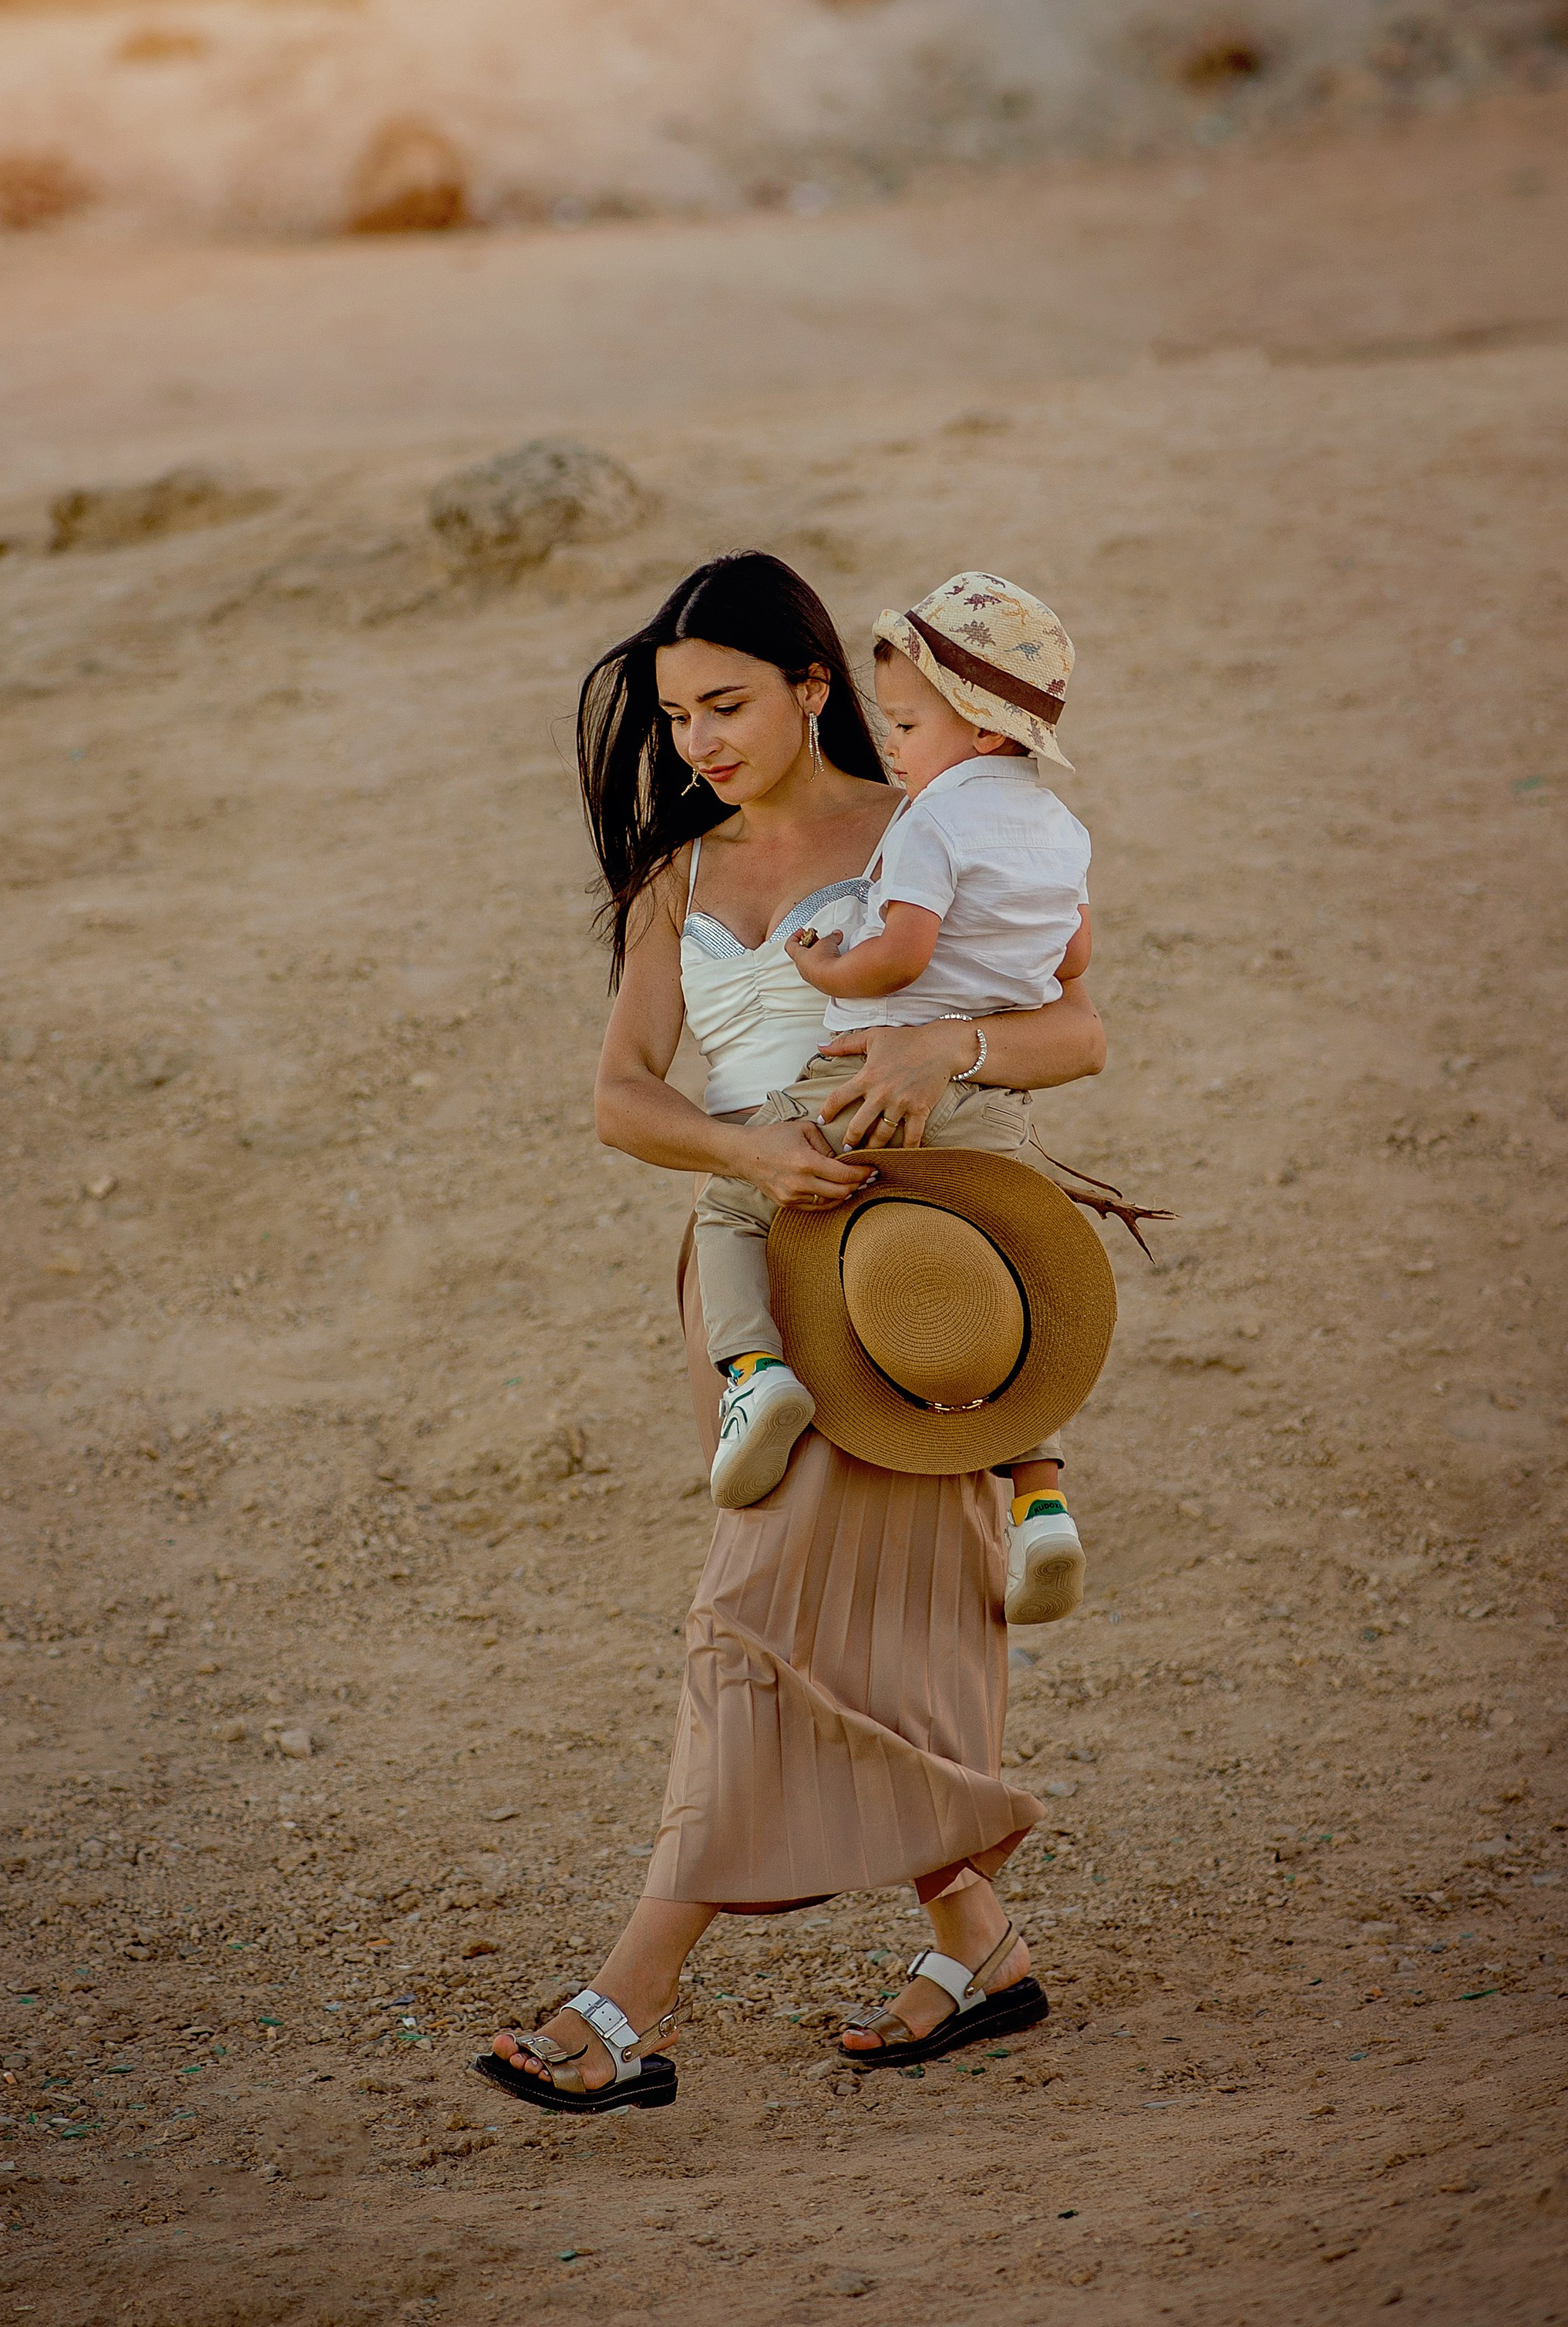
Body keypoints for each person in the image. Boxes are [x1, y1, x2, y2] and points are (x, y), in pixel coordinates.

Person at [474, 551, 1108, 2117]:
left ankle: (629, 1995)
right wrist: (750, 1153)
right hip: (759, 1284)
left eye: (729, 702)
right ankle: (981, 1937)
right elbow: (623, 1098)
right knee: (817, 1608)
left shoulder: (926, 825)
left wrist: (947, 1036)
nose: (699, 738)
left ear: (815, 684)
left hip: (911, 1276)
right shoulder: (673, 880)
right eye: (679, 713)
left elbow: (1078, 1024)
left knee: (767, 1609)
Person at [689, 573, 1091, 1628]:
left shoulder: (925, 822)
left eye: (909, 724)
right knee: (1008, 1272)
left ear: (986, 731)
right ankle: (1042, 1497)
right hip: (990, 1112)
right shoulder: (1060, 829)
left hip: (867, 1083)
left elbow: (901, 949)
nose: (898, 746)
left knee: (731, 1203)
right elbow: (1072, 958)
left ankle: (753, 1370)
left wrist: (827, 966)